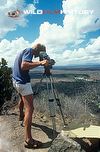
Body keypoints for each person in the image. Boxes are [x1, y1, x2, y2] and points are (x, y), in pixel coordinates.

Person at [12, 43, 49, 148]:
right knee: (30, 108)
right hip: (23, 83)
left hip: (16, 81)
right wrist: (41, 62)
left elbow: (25, 63)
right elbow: (24, 66)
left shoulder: (24, 51)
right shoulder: (29, 51)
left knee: (22, 99)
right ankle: (28, 140)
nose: (39, 56)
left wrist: (40, 63)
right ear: (38, 50)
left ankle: (21, 116)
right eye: (40, 54)